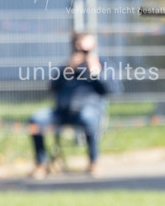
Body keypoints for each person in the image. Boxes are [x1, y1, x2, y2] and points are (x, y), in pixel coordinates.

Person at [28, 32, 107, 178]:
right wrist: (67, 70)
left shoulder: (101, 64)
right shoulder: (67, 67)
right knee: (36, 120)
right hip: (62, 112)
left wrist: (96, 73)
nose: (83, 54)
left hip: (87, 111)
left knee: (88, 118)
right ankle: (41, 163)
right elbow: (52, 87)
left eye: (87, 51)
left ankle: (94, 162)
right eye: (79, 50)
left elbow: (110, 90)